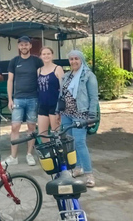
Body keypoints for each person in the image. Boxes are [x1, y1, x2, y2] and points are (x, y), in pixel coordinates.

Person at [57, 50, 99, 188]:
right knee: (70, 143)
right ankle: (78, 168)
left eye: (76, 59)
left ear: (81, 60)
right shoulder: (67, 75)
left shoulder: (88, 75)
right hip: (66, 114)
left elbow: (94, 97)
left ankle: (89, 174)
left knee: (80, 143)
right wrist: (59, 110)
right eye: (71, 59)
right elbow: (62, 95)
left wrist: (92, 115)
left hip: (80, 114)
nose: (73, 61)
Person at [3, 36, 43, 166]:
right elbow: (10, 80)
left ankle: (29, 154)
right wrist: (10, 98)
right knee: (15, 127)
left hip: (33, 98)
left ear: (30, 46)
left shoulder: (37, 61)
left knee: (31, 127)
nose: (24, 47)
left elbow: (42, 77)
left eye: (26, 44)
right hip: (18, 98)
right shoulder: (14, 61)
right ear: (18, 46)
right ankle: (13, 156)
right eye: (21, 45)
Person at [37, 46, 64, 140]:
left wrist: (60, 109)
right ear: (40, 56)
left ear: (52, 55)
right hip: (43, 105)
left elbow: (63, 90)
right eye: (44, 54)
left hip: (54, 105)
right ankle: (48, 153)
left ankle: (59, 153)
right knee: (42, 134)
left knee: (56, 133)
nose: (46, 56)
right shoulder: (39, 70)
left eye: (48, 54)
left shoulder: (58, 69)